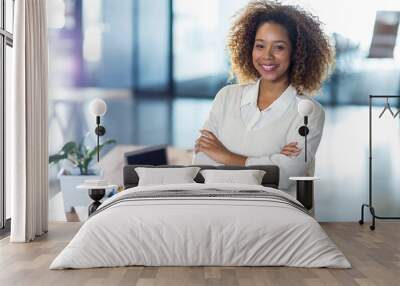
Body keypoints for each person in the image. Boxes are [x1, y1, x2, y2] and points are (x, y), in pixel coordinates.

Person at [192, 0, 334, 195]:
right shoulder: (226, 96)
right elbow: (201, 163)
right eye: (260, 46)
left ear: (296, 53)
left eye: (279, 47)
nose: (267, 56)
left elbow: (283, 176)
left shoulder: (309, 112)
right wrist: (268, 162)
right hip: (221, 206)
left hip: (276, 214)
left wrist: (224, 155)